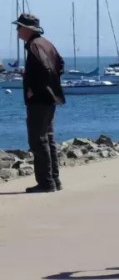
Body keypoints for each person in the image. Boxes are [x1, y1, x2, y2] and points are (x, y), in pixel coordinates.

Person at [14, 13, 65, 193]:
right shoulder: (45, 43)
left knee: (38, 139)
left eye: (19, 27)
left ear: (28, 29)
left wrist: (34, 88)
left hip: (40, 100)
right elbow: (60, 65)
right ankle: (54, 180)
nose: (17, 30)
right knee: (48, 137)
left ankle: (46, 183)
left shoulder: (35, 45)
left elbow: (46, 68)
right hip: (50, 98)